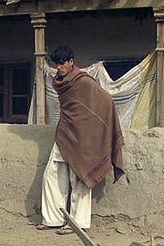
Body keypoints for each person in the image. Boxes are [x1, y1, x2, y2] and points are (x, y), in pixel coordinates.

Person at [37, 45, 125, 235]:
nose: (59, 67)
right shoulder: (59, 82)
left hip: (83, 137)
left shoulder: (84, 81)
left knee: (79, 177)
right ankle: (53, 219)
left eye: (62, 63)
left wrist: (95, 129)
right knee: (51, 174)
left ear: (71, 62)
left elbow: (106, 101)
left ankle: (78, 224)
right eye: (56, 64)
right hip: (65, 133)